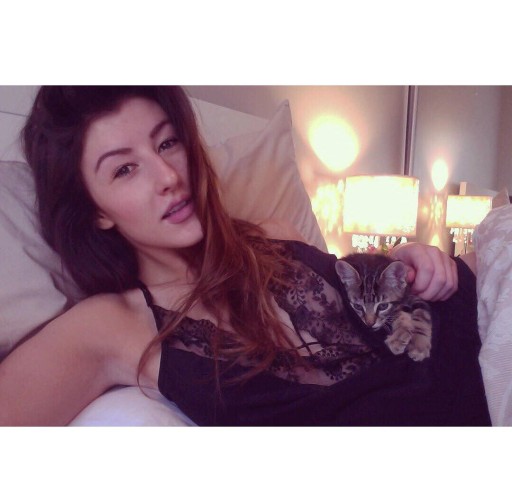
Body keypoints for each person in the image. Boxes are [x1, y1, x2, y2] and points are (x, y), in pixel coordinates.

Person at [0, 86, 490, 426]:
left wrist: (406, 262)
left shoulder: (275, 236)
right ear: (96, 211)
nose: (169, 175)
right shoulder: (108, 326)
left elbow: (369, 316)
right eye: (125, 169)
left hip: (472, 347)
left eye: (168, 142)